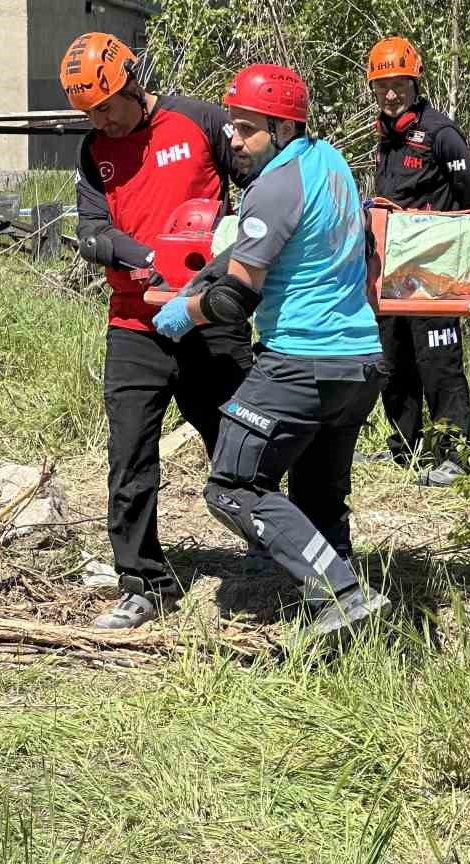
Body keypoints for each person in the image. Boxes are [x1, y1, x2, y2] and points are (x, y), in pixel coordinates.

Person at [152, 63, 390, 640]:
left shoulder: (273, 186)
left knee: (231, 486)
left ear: (282, 128)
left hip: (300, 362)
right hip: (359, 363)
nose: (232, 139)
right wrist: (203, 277)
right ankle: (350, 632)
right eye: (231, 125)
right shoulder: (329, 162)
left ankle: (342, 596)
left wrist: (183, 312)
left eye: (245, 128)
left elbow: (235, 301)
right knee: (318, 494)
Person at [67, 32, 252, 630]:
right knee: (130, 456)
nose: (101, 120)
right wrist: (138, 256)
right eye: (90, 112)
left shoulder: (197, 120)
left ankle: (284, 550)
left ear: (131, 82)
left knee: (242, 439)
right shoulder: (94, 151)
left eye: (107, 106)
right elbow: (92, 231)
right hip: (134, 325)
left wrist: (236, 260)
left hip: (209, 319)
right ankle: (143, 580)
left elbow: (261, 180)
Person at [367, 37, 470, 487]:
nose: (390, 94)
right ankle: (404, 448)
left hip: (434, 273)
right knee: (392, 361)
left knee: (439, 361)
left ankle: (456, 454)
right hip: (391, 270)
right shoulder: (385, 133)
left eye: (398, 85)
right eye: (382, 87)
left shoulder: (441, 133)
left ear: (415, 83)